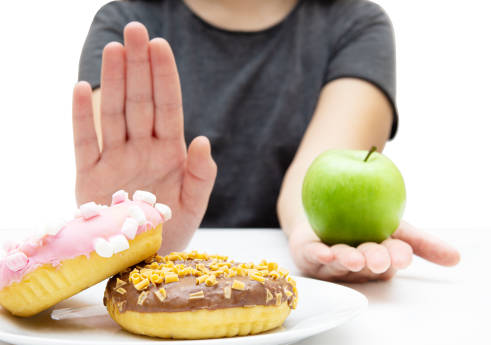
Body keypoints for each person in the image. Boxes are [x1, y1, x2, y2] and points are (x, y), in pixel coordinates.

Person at [72, 0, 460, 283]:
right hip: (161, 280)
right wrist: (141, 229)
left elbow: (320, 172)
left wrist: (317, 231)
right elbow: (124, 181)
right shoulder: (124, 21)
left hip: (298, 289)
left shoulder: (355, 23)